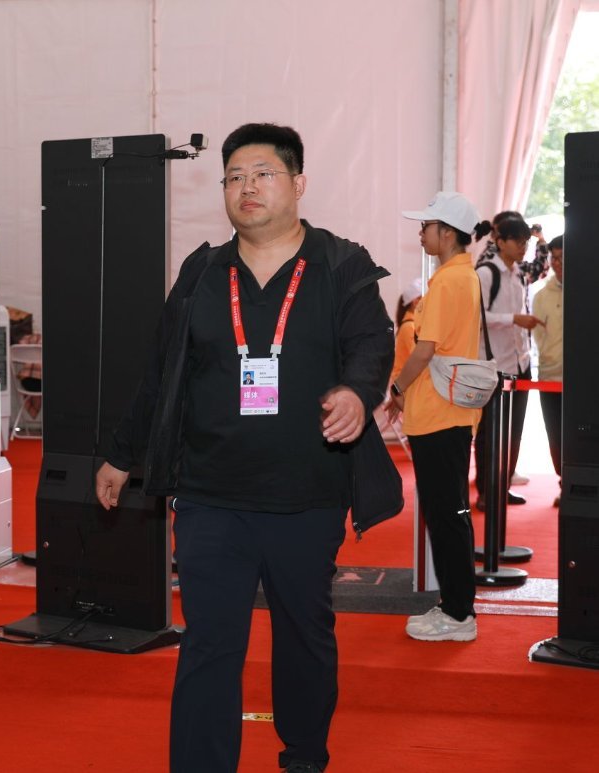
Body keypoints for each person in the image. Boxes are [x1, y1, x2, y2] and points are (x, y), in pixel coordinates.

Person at [96, 123, 395, 773]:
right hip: (211, 495)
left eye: (262, 174)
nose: (246, 187)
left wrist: (356, 392)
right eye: (233, 177)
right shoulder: (202, 272)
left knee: (304, 635)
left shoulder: (339, 264)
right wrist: (122, 454)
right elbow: (161, 373)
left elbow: (372, 344)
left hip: (306, 495)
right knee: (209, 642)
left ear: (298, 183)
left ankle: (304, 755)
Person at [388, 191, 484, 644]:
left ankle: (459, 613)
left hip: (440, 415)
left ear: (447, 232)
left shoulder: (450, 281)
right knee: (448, 513)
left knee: (447, 516)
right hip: (443, 414)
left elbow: (424, 349)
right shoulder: (459, 276)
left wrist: (397, 389)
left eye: (426, 225)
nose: (421, 232)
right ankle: (453, 605)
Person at [472, 215, 544, 511]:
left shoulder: (518, 274)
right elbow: (476, 317)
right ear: (500, 242)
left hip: (520, 362)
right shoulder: (486, 272)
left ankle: (502, 486)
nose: (523, 247)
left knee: (514, 431)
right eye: (518, 241)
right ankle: (486, 491)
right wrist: (513, 319)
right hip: (494, 365)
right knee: (490, 432)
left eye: (526, 241)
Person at [532, 235, 564, 506]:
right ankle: (565, 482)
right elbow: (538, 336)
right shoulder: (542, 296)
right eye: (554, 257)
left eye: (563, 257)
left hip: (584, 381)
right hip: (550, 377)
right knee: (556, 436)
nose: (557, 263)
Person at [391, 277, 424, 385]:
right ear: (416, 301)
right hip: (404, 385)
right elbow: (418, 358)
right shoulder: (410, 327)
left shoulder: (412, 325)